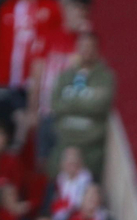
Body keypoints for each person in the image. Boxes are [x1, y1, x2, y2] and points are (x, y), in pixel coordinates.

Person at [46, 32, 114, 177]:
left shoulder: (105, 77)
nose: (86, 51)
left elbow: (100, 105)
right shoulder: (65, 76)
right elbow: (55, 104)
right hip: (64, 144)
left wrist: (71, 102)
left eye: (90, 47)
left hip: (90, 148)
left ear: (97, 50)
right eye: (83, 46)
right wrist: (85, 102)